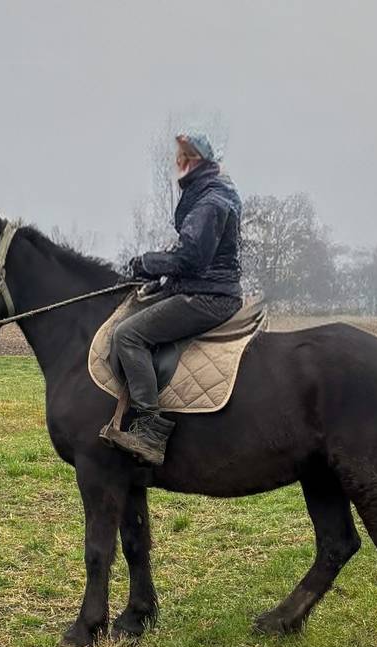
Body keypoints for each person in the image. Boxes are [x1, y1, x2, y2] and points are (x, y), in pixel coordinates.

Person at [104, 132, 243, 465]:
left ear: (194, 161)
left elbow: (192, 258)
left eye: (181, 156)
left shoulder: (210, 201)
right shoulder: (208, 194)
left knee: (128, 334)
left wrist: (146, 262)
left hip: (207, 295)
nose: (176, 162)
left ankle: (150, 431)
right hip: (201, 288)